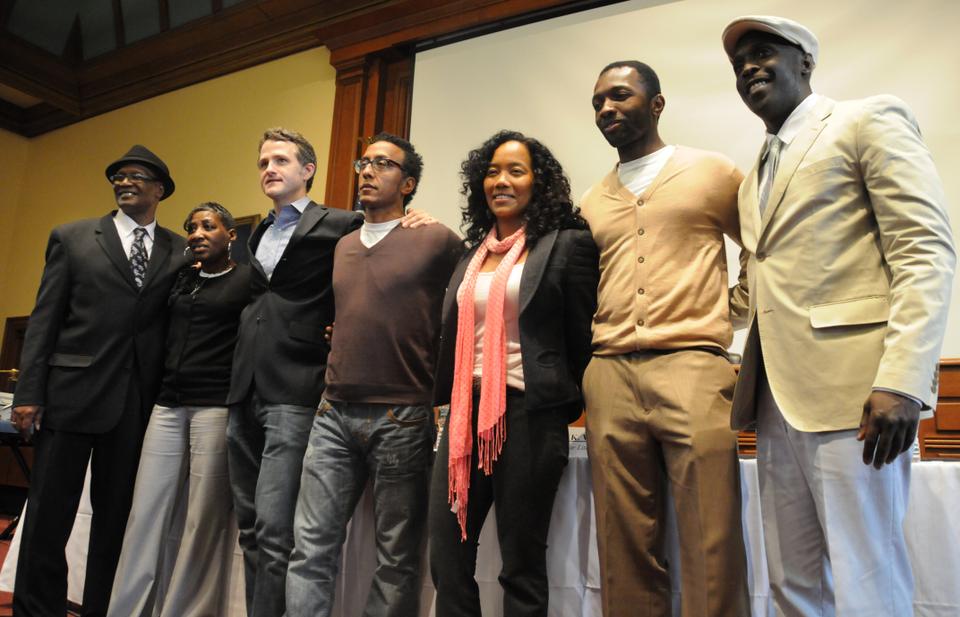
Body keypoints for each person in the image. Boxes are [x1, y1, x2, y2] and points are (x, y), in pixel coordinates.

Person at [722, 15, 956, 615]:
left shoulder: (865, 120)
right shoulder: (753, 179)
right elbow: (754, 285)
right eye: (738, 61)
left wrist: (902, 379)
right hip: (775, 402)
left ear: (805, 62)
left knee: (866, 578)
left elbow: (924, 249)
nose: (748, 66)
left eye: (763, 52)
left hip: (857, 398)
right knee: (792, 582)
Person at [226, 127, 435, 616]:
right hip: (245, 384)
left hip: (301, 388)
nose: (269, 169)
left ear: (308, 170)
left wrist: (418, 218)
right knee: (253, 528)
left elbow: (383, 237)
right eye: (263, 163)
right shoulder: (256, 232)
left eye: (280, 160)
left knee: (282, 534)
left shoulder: (340, 223)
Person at [580, 61, 750, 617]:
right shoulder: (592, 201)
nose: (607, 108)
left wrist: (731, 309)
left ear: (656, 104)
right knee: (621, 536)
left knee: (711, 533)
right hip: (609, 373)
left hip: (694, 367)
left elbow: (763, 247)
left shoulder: (712, 172)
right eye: (599, 101)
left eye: (620, 96)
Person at [286, 133, 462, 616]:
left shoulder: (437, 239)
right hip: (333, 412)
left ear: (407, 184)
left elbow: (472, 301)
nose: (367, 170)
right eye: (364, 162)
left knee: (396, 557)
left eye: (382, 164)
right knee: (310, 550)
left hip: (402, 415)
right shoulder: (341, 245)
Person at [429, 130, 599, 617]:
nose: (500, 181)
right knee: (446, 555)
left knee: (521, 564)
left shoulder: (566, 246)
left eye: (515, 171)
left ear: (538, 183)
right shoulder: (472, 256)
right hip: (464, 413)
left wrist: (572, 405)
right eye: (491, 171)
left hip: (528, 414)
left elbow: (581, 338)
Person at [10, 145, 185, 617]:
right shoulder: (72, 238)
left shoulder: (180, 249)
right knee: (48, 515)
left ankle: (99, 607)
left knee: (115, 520)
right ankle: (35, 609)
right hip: (69, 396)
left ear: (160, 189)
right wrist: (28, 394)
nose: (125, 182)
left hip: (135, 403)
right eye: (118, 176)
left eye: (136, 176)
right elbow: (45, 319)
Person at [107, 203, 251, 617]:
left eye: (209, 226)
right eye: (191, 227)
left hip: (215, 407)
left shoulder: (247, 281)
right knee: (146, 512)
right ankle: (127, 610)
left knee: (202, 520)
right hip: (167, 405)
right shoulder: (181, 279)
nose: (197, 233)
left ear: (231, 235)